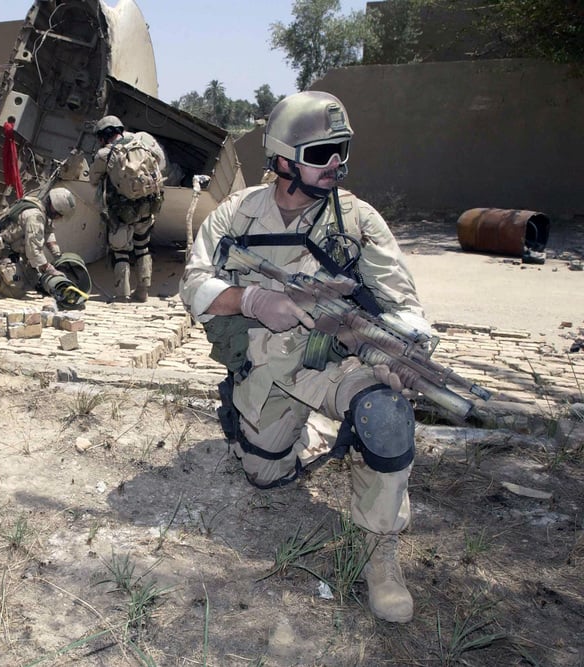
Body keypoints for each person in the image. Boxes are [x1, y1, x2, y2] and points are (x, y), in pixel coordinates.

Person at [179, 91, 428, 624]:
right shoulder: (237, 214)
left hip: (340, 363)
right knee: (265, 475)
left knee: (385, 415)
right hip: (270, 369)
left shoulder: (358, 220)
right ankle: (303, 434)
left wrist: (409, 351)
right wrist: (249, 300)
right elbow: (194, 283)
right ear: (282, 158)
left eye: (342, 150)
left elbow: (404, 305)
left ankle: (379, 555)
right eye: (321, 153)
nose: (335, 162)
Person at [88, 115, 166, 302]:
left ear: (102, 136)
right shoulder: (143, 141)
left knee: (121, 251)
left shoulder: (104, 154)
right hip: (148, 206)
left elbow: (93, 180)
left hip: (122, 211)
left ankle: (122, 295)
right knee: (143, 247)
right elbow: (161, 163)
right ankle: (143, 291)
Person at [0, 187, 76, 300]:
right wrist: (51, 270)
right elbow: (34, 252)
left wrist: (58, 255)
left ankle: (2, 273)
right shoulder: (35, 217)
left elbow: (48, 233)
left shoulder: (38, 205)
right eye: (59, 215)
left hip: (12, 251)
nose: (59, 218)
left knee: (33, 282)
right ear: (54, 209)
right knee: (16, 290)